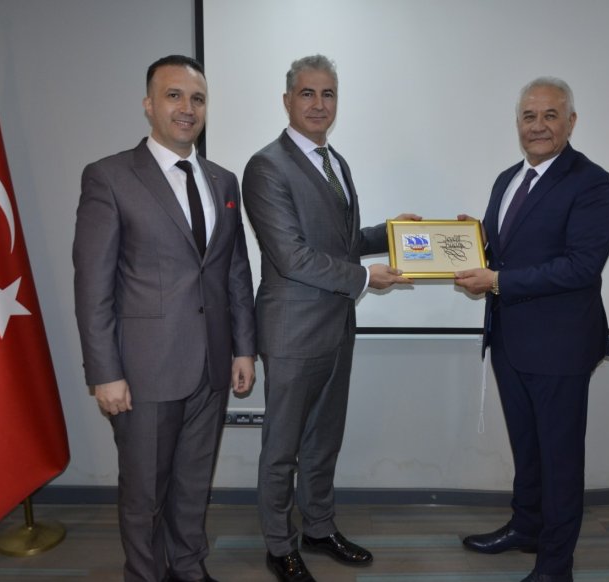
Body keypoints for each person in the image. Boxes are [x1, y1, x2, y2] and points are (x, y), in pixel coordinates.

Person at [73, 55, 256, 582]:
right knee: (145, 493)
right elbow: (93, 286)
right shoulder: (110, 177)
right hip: (143, 372)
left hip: (212, 366)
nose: (187, 108)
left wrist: (244, 348)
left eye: (197, 99)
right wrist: (104, 372)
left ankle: (190, 569)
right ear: (149, 105)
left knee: (194, 485)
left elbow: (235, 271)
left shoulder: (223, 181)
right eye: (174, 95)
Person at [242, 54, 419, 582]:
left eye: (328, 94)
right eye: (307, 93)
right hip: (292, 332)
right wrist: (365, 278)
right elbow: (292, 256)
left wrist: (390, 233)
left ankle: (318, 527)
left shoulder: (334, 161)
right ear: (287, 101)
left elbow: (339, 242)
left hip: (337, 326)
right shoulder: (266, 166)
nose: (319, 104)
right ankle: (279, 544)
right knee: (283, 447)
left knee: (323, 440)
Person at [454, 77, 609, 582]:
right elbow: (502, 252)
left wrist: (497, 280)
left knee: (560, 460)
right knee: (527, 448)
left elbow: (581, 266)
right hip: (509, 340)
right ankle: (526, 527)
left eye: (551, 115)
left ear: (571, 122)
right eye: (529, 116)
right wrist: (464, 242)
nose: (539, 126)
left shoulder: (592, 183)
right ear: (518, 124)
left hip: (560, 347)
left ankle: (555, 567)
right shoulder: (507, 179)